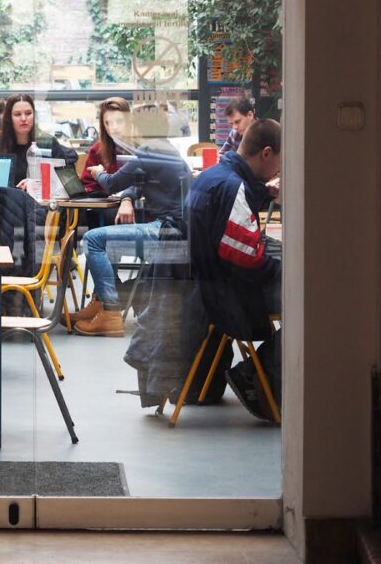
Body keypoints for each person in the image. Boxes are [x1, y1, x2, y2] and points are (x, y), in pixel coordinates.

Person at [186, 119, 282, 420]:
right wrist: (288, 272)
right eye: (281, 161)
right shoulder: (233, 187)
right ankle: (255, 375)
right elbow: (248, 261)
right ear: (267, 153)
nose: (280, 169)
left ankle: (260, 374)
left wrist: (265, 194)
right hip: (230, 299)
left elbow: (225, 218)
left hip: (205, 291)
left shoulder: (212, 176)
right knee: (314, 302)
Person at [74, 106, 192, 337]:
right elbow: (136, 184)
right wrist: (127, 198)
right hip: (177, 228)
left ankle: (110, 312)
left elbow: (112, 183)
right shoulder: (165, 149)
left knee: (92, 239)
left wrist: (98, 172)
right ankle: (102, 304)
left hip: (166, 229)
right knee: (104, 240)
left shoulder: (149, 151)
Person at [0, 93, 78, 189]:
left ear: (34, 115)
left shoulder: (48, 144)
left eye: (28, 113)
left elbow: (70, 185)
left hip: (40, 201)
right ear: (9, 118)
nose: (23, 119)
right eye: (17, 114)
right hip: (4, 200)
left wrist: (38, 184)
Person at [80, 97, 131, 193]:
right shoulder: (97, 150)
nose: (114, 127)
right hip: (107, 205)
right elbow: (88, 185)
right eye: (108, 123)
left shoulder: (141, 148)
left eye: (119, 121)